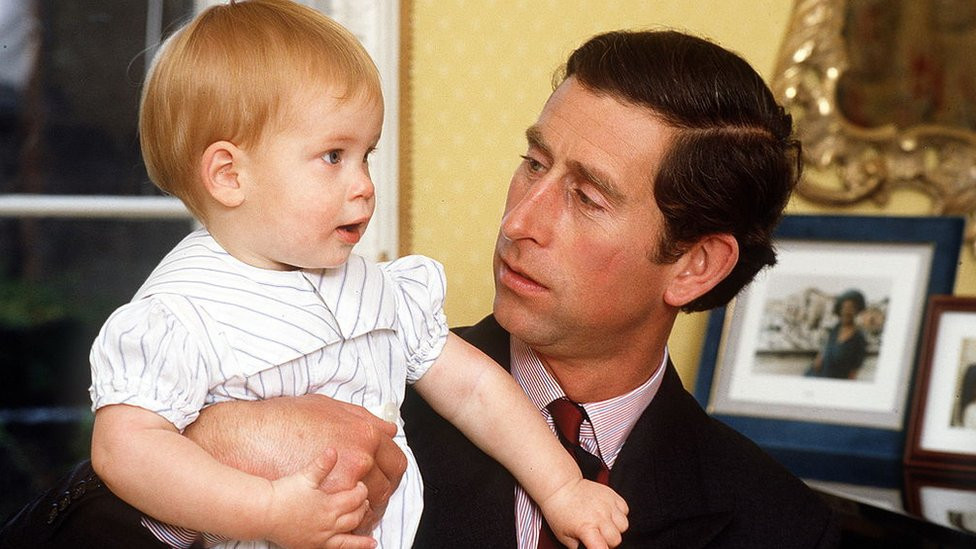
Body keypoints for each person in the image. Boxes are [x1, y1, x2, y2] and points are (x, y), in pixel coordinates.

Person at [0, 28, 839, 549]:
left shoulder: (778, 522)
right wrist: (221, 444)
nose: (521, 221)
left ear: (695, 264)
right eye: (533, 164)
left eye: (585, 196)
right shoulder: (359, 374)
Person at [806, 289, 869, 380]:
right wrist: (819, 357)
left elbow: (854, 370)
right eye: (844, 308)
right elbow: (827, 346)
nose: (847, 311)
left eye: (851, 308)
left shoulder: (859, 338)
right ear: (839, 310)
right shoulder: (835, 328)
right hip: (816, 374)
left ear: (857, 311)